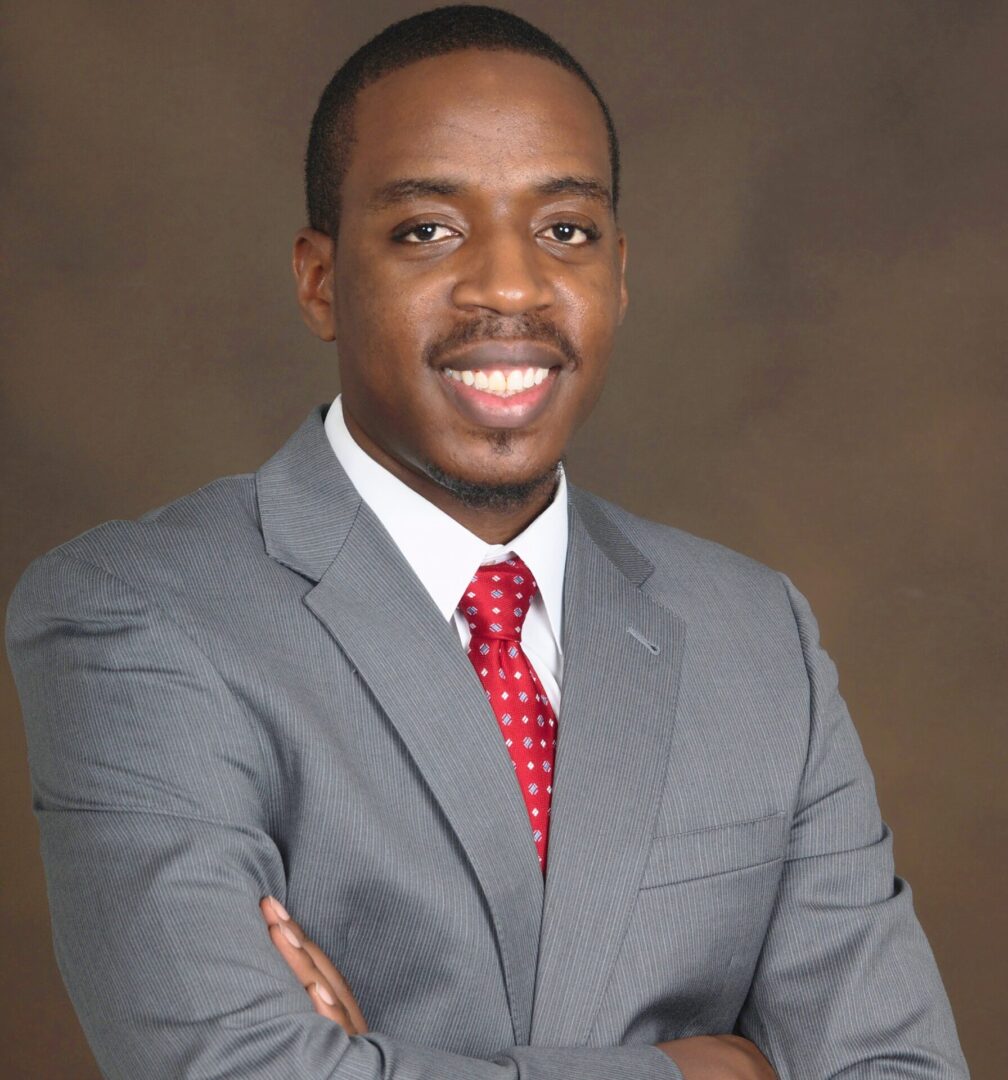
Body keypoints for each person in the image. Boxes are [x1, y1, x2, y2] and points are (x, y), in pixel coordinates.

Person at [5, 6, 968, 1079]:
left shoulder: (758, 635)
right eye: (429, 229)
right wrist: (715, 1071)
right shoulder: (141, 615)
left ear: (619, 274)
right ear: (320, 279)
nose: (510, 287)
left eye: (565, 230)